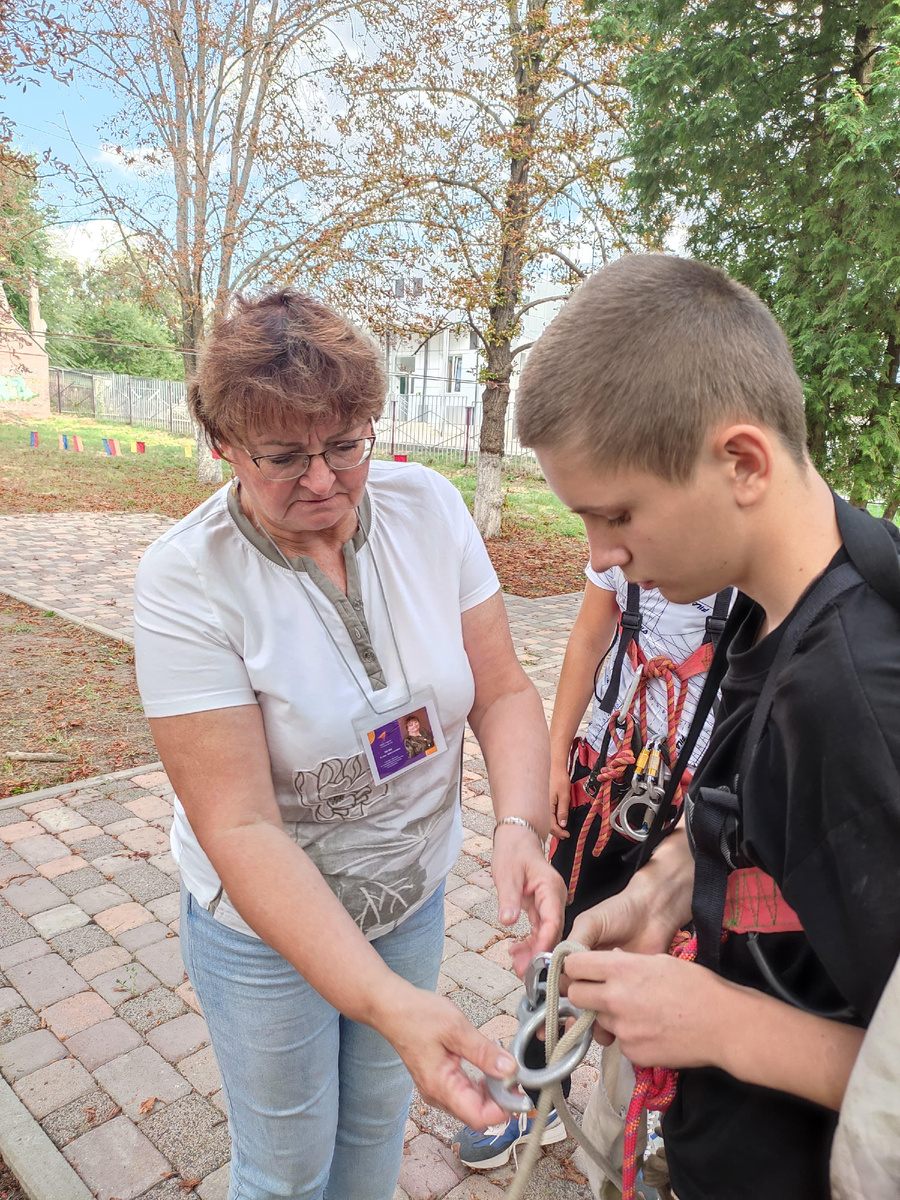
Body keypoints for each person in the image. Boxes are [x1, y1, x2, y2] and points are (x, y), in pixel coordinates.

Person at [132, 289, 565, 1200]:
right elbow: (240, 826)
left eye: (346, 445)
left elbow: (503, 690)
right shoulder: (186, 578)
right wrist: (384, 1003)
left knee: (372, 1143)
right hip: (264, 935)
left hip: (409, 898)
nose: (322, 480)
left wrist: (520, 824)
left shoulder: (430, 510)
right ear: (225, 448)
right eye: (284, 457)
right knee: (287, 1172)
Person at [514, 253, 900, 1200]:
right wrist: (660, 894)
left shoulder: (857, 695)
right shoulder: (766, 605)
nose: (602, 557)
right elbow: (765, 816)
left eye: (617, 516)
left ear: (741, 463)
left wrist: (720, 1025)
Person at [454, 569, 730, 1177]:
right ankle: (533, 1090)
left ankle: (645, 1100)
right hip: (610, 770)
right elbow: (588, 632)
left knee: (672, 951)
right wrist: (556, 757)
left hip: (698, 795)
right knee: (563, 935)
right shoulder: (622, 532)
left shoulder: (752, 555)